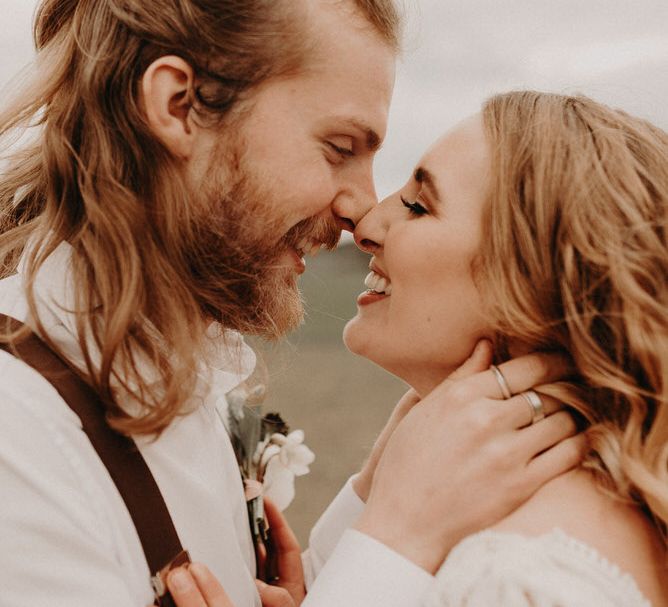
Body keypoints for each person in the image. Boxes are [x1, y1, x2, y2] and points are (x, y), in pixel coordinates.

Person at [0, 0, 583, 605]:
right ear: (178, 107)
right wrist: (399, 535)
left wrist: (351, 533)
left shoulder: (193, 374)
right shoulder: (16, 434)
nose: (362, 208)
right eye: (338, 147)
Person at [342, 91, 668, 605]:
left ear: (535, 288)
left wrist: (391, 537)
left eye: (418, 206)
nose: (365, 226)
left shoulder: (509, 579)